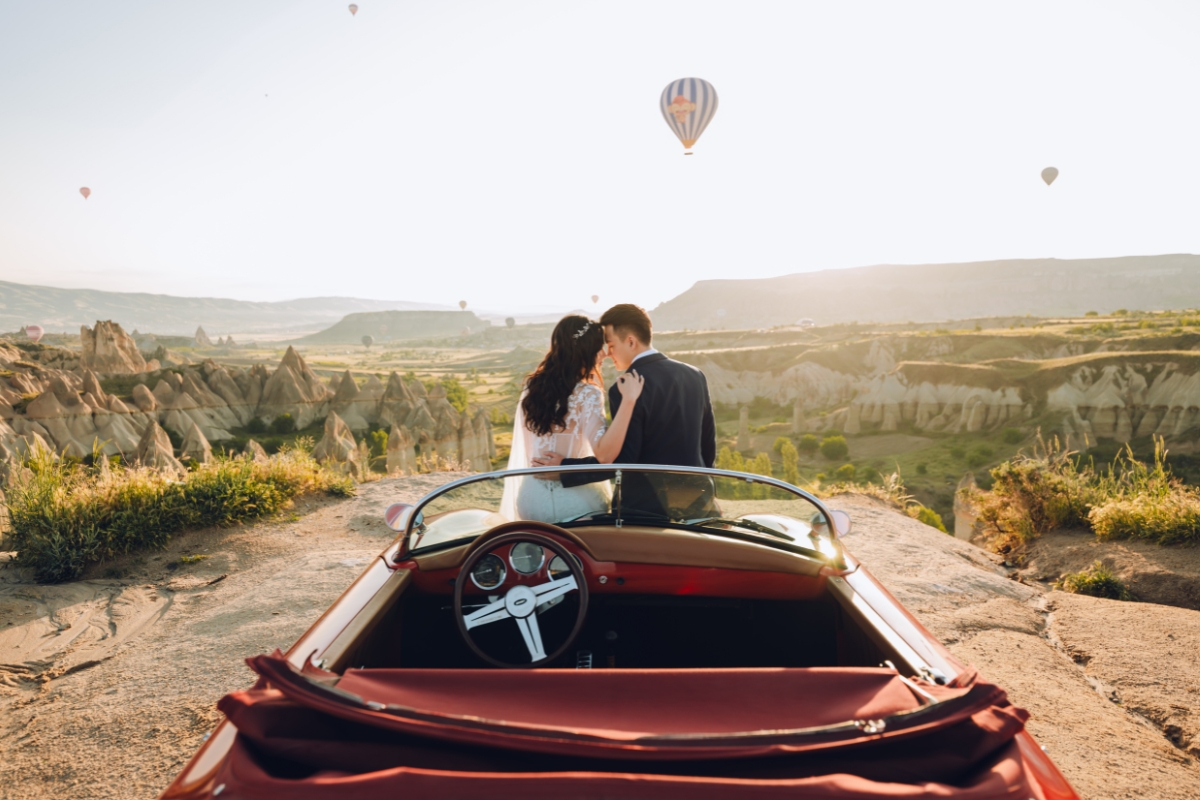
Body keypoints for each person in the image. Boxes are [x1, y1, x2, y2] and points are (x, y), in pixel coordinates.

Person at [533, 304, 717, 517]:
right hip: (698, 502)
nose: (608, 354)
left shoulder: (625, 386)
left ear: (630, 341)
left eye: (610, 345)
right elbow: (707, 445)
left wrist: (565, 469)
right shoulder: (694, 375)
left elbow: (624, 459)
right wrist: (708, 493)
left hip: (645, 507)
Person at [499, 314, 644, 522]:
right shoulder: (587, 393)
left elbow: (530, 447)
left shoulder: (533, 387)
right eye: (599, 347)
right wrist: (629, 400)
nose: (604, 354)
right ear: (585, 350)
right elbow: (605, 455)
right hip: (575, 503)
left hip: (531, 498)